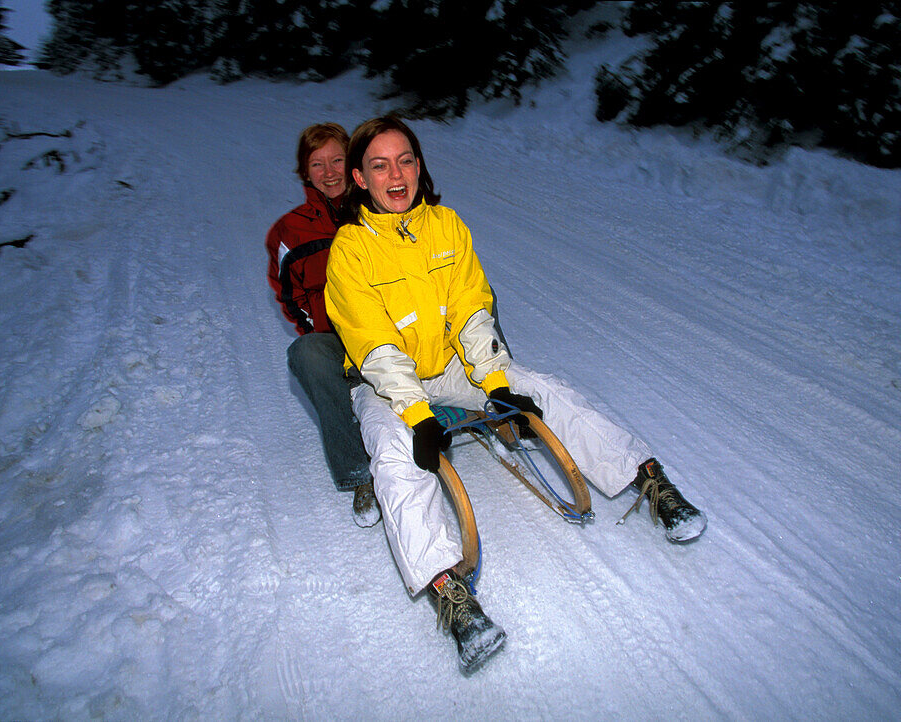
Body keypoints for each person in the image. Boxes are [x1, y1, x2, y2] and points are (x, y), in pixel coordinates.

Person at [324, 116, 707, 672]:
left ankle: (648, 478)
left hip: (451, 366)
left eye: (406, 160)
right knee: (394, 452)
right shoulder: (351, 250)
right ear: (359, 178)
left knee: (543, 388)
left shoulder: (446, 227)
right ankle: (449, 593)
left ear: (419, 164)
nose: (397, 175)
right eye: (379, 165)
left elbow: (472, 311)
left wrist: (498, 387)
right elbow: (375, 344)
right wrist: (418, 415)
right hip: (386, 383)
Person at [265, 122, 379, 527]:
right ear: (304, 172)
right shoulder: (289, 231)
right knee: (306, 352)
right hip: (339, 343)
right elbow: (289, 297)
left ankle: (495, 400)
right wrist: (325, 330)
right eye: (318, 164)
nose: (330, 172)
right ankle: (358, 472)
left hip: (393, 332)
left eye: (337, 160)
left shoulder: (379, 207)